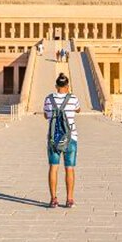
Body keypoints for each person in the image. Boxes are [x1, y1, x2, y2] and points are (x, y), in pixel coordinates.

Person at [43, 73, 81, 208]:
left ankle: (53, 199)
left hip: (53, 139)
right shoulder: (73, 98)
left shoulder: (48, 99)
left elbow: (46, 115)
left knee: (53, 168)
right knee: (69, 168)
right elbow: (78, 109)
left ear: (56, 86)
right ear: (68, 86)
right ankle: (70, 199)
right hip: (71, 138)